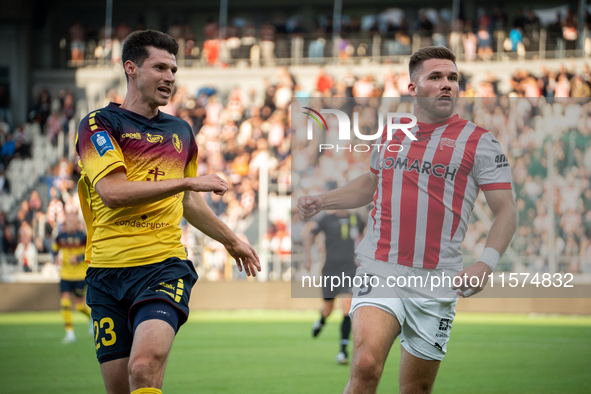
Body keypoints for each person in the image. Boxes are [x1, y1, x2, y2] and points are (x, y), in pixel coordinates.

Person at [298, 46, 517, 393]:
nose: (447, 84)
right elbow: (371, 183)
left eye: (453, 78)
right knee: (366, 364)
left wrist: (486, 263)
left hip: (437, 279)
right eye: (436, 77)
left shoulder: (480, 142)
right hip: (380, 266)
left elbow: (506, 210)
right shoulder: (392, 133)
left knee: (415, 389)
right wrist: (323, 201)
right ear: (413, 88)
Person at [76, 30, 260, 394]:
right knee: (120, 389)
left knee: (143, 367)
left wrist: (231, 240)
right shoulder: (98, 125)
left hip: (162, 267)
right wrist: (186, 183)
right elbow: (112, 193)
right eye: (159, 67)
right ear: (131, 68)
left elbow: (190, 204)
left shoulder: (180, 131)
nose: (170, 77)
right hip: (106, 274)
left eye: (173, 70)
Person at [303, 198, 365, 365]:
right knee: (328, 310)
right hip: (330, 268)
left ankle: (343, 352)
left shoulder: (356, 219)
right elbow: (309, 236)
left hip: (349, 268)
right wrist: (308, 258)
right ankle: (322, 321)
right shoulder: (326, 219)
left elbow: (364, 235)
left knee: (347, 306)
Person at [53, 212, 92, 343]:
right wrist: (55, 258)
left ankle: (91, 317)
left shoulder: (83, 237)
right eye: (68, 219)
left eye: (73, 219)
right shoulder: (60, 236)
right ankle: (70, 333)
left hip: (80, 275)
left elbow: (90, 253)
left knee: (80, 306)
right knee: (64, 304)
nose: (70, 221)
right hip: (65, 275)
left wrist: (79, 258)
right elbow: (54, 248)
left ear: (76, 222)